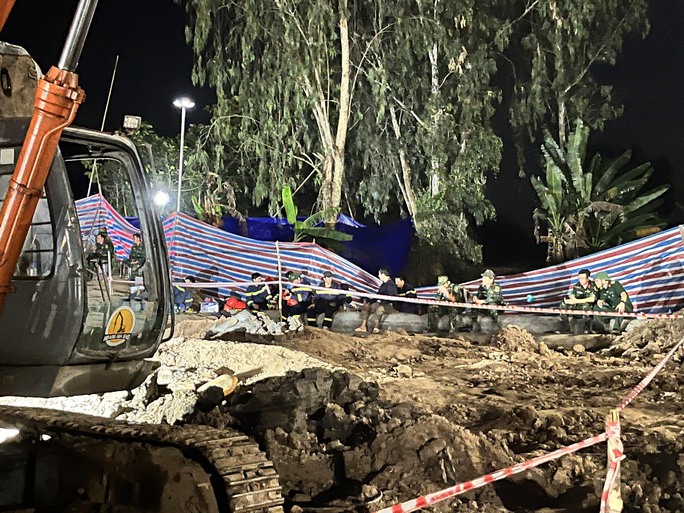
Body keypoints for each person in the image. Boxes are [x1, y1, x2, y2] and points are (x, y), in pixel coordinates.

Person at [355, 268, 397, 334]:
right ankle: (363, 326)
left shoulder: (391, 284)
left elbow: (392, 296)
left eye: (379, 274)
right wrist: (370, 302)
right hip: (380, 303)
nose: (378, 276)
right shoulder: (383, 285)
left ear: (383, 274)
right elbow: (378, 295)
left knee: (379, 309)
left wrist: (383, 301)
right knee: (366, 306)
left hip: (388, 305)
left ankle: (376, 327)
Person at [559, 268, 597, 333]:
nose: (580, 280)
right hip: (578, 304)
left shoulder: (593, 286)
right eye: (579, 278)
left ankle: (587, 327)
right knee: (563, 304)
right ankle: (566, 325)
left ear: (588, 278)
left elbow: (592, 299)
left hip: (589, 306)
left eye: (582, 278)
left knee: (586, 305)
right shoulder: (577, 285)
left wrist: (576, 301)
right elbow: (573, 295)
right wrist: (571, 300)